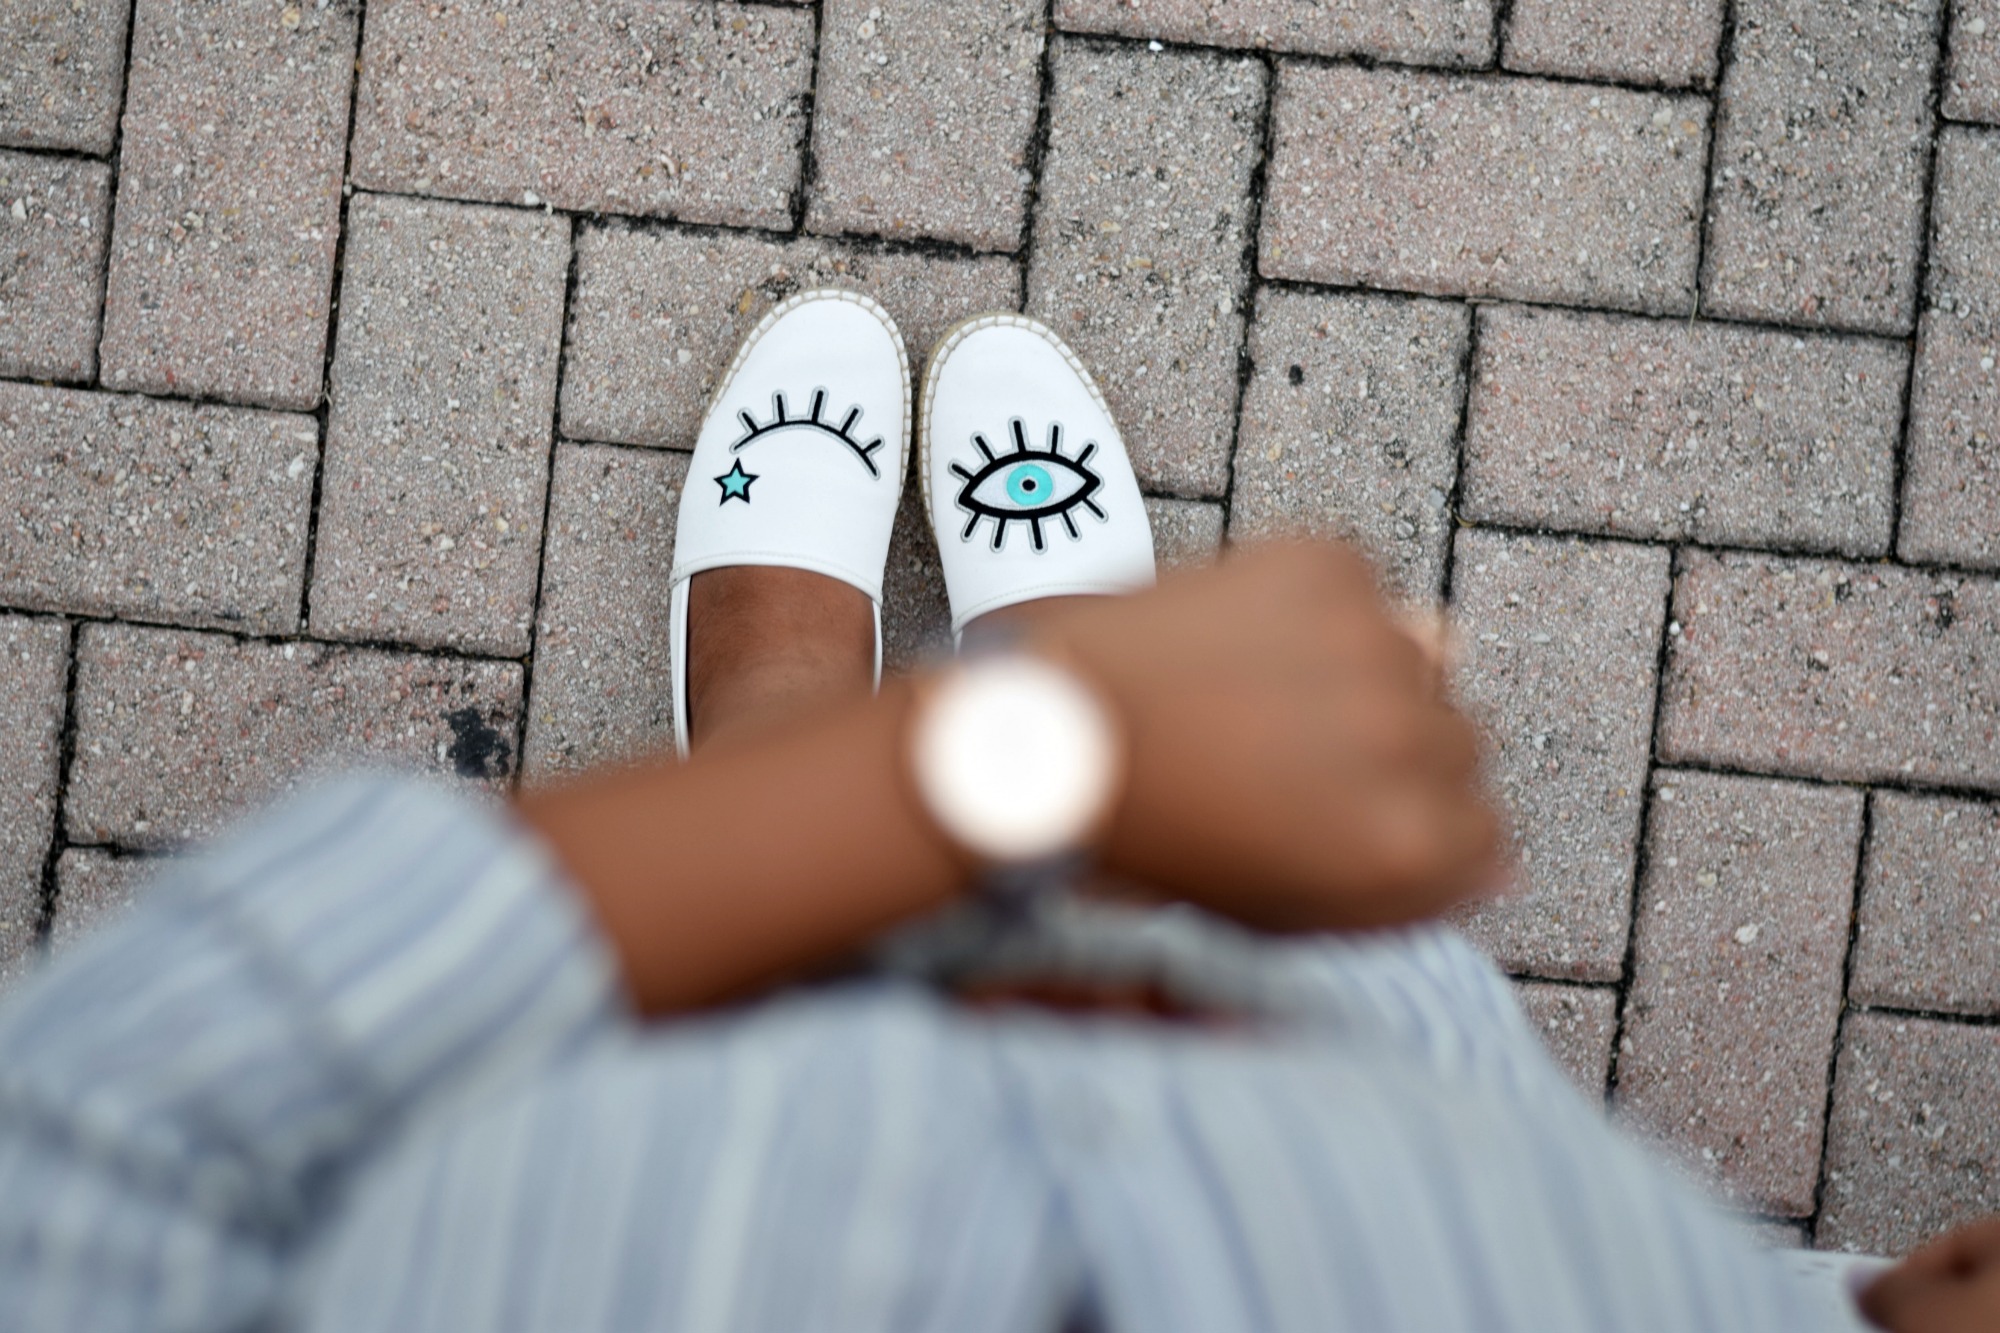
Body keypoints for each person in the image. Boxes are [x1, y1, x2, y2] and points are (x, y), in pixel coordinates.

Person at [0, 291, 1988, 1332]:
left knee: (793, 867)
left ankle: (790, 723)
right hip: (1369, 1054)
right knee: (1291, 932)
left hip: (664, 1072)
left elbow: (91, 1158)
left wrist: (1017, 757)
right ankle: (1050, 650)